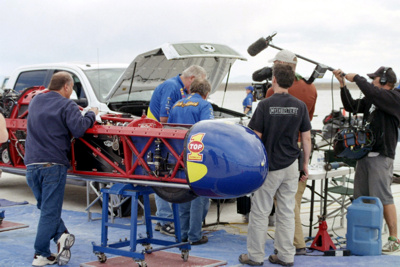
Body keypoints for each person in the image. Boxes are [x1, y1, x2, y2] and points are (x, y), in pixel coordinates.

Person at [239, 64, 311, 266]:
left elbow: (256, 138)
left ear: (274, 80)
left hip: (269, 166)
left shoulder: (264, 105)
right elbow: (306, 138)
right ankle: (286, 256)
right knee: (287, 211)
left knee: (260, 211)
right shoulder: (300, 106)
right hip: (290, 166)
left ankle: (254, 256)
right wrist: (305, 164)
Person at [24, 71, 98, 266]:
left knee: (45, 208)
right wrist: (92, 114)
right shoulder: (66, 104)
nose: (71, 92)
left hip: (31, 165)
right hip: (52, 165)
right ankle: (41, 253)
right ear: (66, 87)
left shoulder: (35, 102)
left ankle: (62, 235)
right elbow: (79, 129)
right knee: (49, 211)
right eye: (71, 88)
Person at [333, 66, 400, 252]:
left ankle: (394, 239)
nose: (371, 81)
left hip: (381, 155)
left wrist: (358, 78)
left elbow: (372, 91)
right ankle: (362, 237)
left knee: (383, 196)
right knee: (360, 196)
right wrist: (342, 85)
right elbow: (351, 106)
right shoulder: (373, 98)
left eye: (375, 79)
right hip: (364, 154)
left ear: (385, 82)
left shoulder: (394, 98)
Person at [266, 49, 318, 255]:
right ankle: (294, 242)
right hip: (301, 148)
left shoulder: (272, 93)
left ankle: (296, 244)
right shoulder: (311, 87)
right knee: (294, 197)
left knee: (283, 201)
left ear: (281, 66)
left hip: (279, 150)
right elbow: (307, 124)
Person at [147, 65, 207, 236]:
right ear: (192, 78)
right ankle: (164, 220)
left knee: (169, 179)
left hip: (168, 138)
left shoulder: (180, 89)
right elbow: (165, 119)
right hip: (159, 137)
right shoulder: (172, 86)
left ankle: (170, 220)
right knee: (163, 179)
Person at [168, 78, 214, 245]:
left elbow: (169, 128)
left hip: (176, 154)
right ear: (206, 93)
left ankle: (181, 234)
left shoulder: (176, 104)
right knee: (199, 196)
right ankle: (194, 236)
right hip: (195, 154)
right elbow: (207, 129)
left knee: (182, 195)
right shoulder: (204, 105)